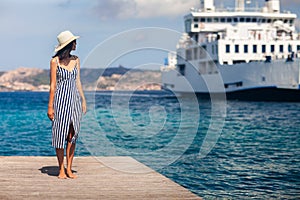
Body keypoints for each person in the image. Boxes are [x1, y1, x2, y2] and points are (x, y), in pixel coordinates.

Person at [47, 30, 87, 179]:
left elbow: (78, 81)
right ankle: (61, 169)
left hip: (74, 101)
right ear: (69, 45)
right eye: (74, 42)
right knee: (59, 135)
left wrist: (83, 100)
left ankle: (69, 168)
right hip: (60, 101)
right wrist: (50, 107)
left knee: (72, 134)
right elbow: (52, 86)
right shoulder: (54, 62)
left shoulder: (76, 60)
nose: (76, 44)